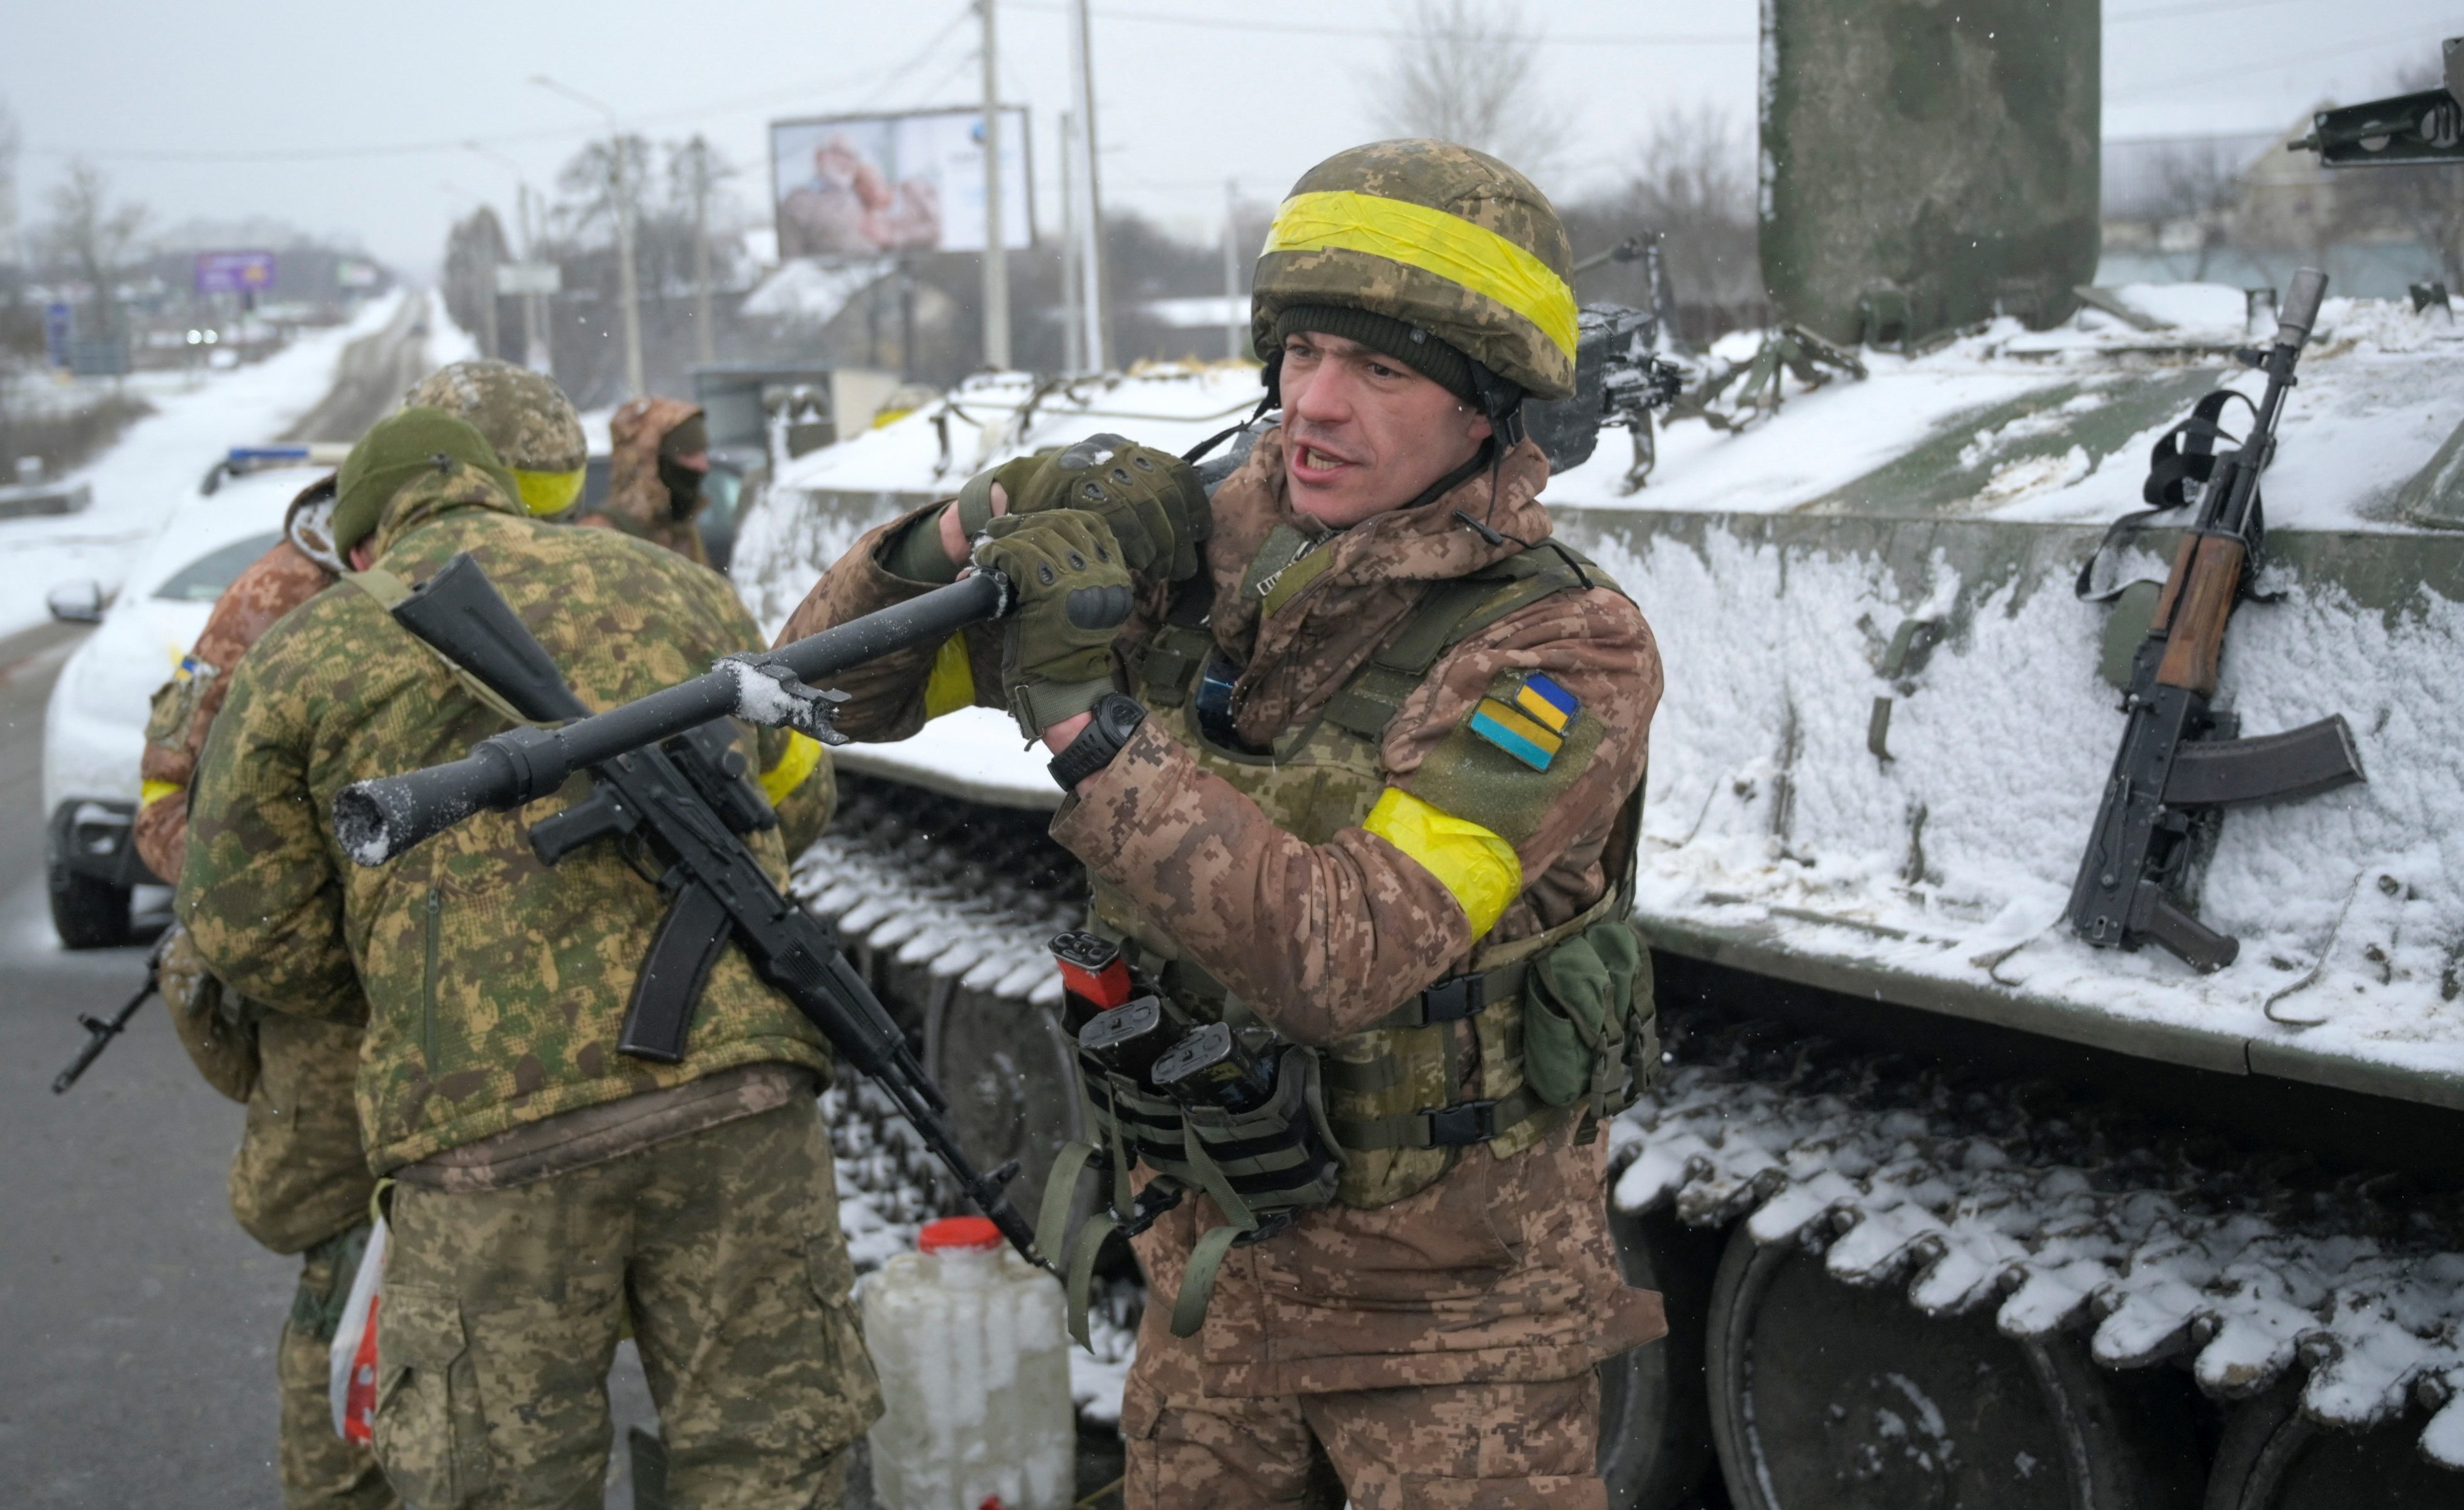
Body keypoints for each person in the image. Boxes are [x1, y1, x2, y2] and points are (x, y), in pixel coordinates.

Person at [773, 138, 1667, 1507]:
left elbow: (1341, 956)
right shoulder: (1190, 559)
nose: (1313, 404)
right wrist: (977, 524)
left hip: (1447, 1347)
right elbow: (825, 691)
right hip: (1212, 1291)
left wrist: (1086, 722)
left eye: (1379, 370)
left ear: (1486, 411)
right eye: (1302, 350)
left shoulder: (1557, 647)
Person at [177, 408, 876, 1509]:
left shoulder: (300, 653)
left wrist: (405, 972)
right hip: (740, 1097)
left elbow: (242, 924)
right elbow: (797, 800)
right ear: (505, 493)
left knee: (500, 1484)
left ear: (360, 543)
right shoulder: (683, 588)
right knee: (768, 1466)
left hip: (487, 1141)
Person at [133, 358, 612, 1510]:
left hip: (493, 997)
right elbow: (175, 820)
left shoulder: (560, 574)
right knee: (346, 1264)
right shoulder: (278, 601)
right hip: (338, 1004)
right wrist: (346, 952)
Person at [579, 397, 715, 565]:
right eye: (689, 455)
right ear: (652, 464)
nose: (702, 465)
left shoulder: (682, 531)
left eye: (703, 453)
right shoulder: (598, 535)